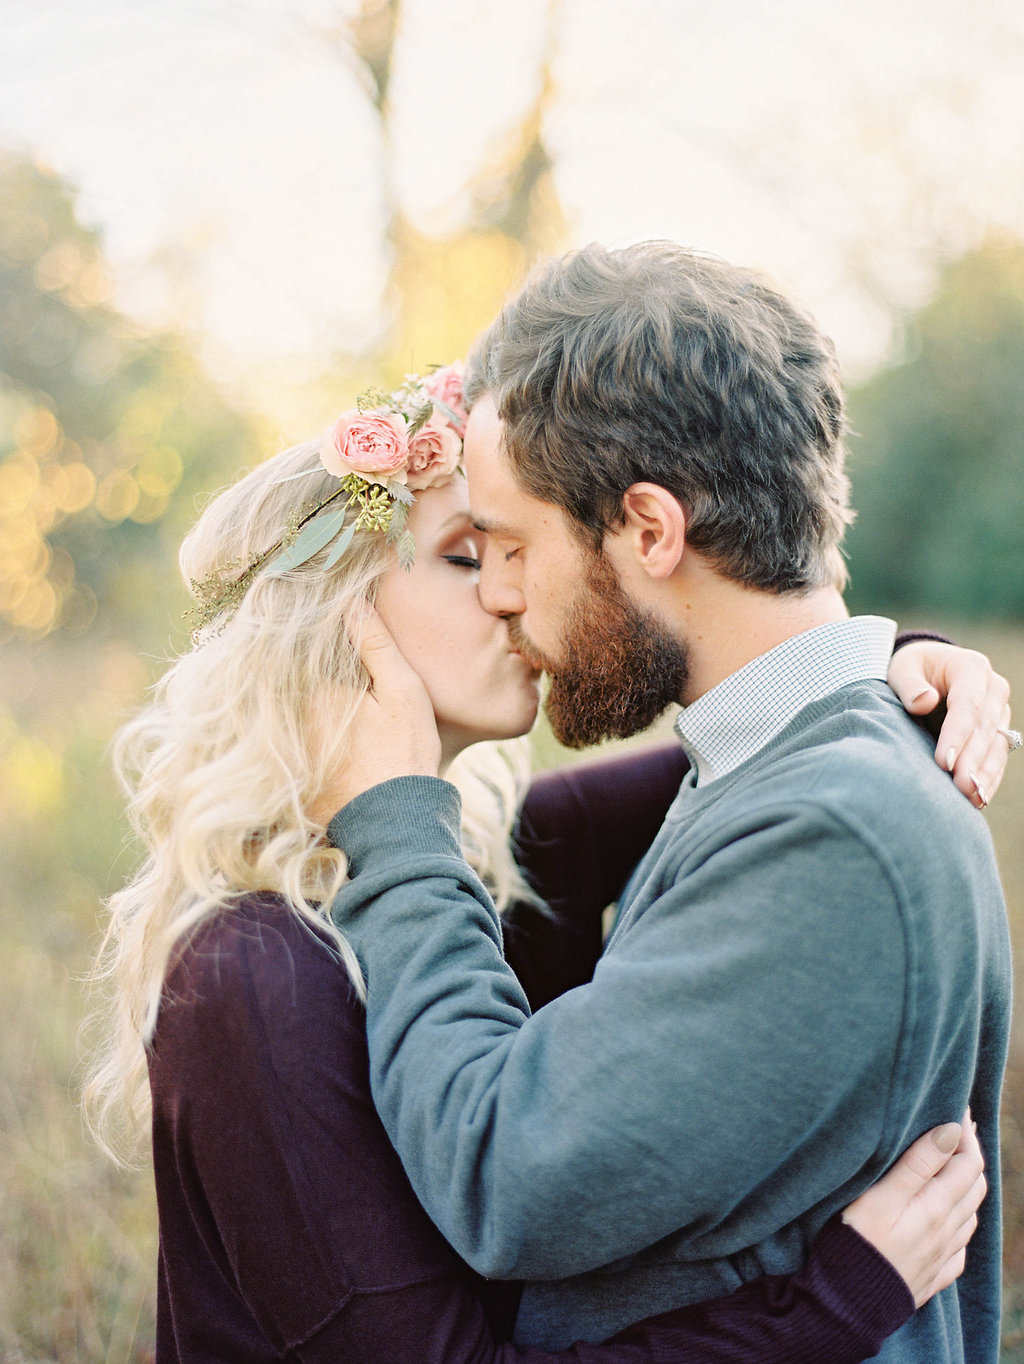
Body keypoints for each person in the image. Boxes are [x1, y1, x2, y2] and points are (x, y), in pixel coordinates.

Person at [84, 371, 997, 1362]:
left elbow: (774, 734)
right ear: (331, 615)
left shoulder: (469, 861)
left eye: (512, 551)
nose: (511, 592)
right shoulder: (254, 971)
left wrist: (897, 670)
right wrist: (837, 1300)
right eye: (465, 555)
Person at [323, 247, 1015, 1363]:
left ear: (650, 529)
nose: (499, 591)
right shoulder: (786, 762)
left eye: (513, 544)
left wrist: (397, 823)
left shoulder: (833, 833)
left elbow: (504, 1176)